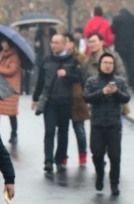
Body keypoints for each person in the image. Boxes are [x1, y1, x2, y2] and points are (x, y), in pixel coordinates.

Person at [31, 34, 83, 173]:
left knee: (63, 132)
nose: (53, 45)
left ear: (64, 44)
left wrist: (67, 75)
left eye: (57, 43)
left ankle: (59, 158)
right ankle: (48, 160)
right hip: (50, 102)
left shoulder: (72, 60)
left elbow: (79, 78)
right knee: (49, 131)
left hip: (65, 101)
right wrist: (35, 98)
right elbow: (40, 81)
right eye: (52, 42)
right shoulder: (46, 60)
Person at [83, 53, 130, 195]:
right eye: (105, 63)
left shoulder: (119, 81)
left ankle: (114, 184)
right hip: (97, 124)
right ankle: (100, 174)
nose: (108, 66)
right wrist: (102, 92)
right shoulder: (92, 81)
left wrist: (116, 92)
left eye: (110, 63)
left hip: (114, 124)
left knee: (115, 157)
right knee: (97, 154)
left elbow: (126, 98)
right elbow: (87, 97)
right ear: (100, 65)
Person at [65, 33, 90, 167]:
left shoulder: (81, 58)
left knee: (79, 129)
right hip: (62, 98)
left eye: (67, 41)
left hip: (77, 98)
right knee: (62, 130)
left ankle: (82, 154)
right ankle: (62, 155)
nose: (65, 44)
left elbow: (85, 77)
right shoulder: (58, 58)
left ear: (72, 43)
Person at [0, 39, 22, 145]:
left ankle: (14, 134)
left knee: (12, 113)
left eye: (4, 42)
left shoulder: (15, 56)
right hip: (0, 86)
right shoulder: (2, 55)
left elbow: (11, 70)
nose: (2, 44)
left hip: (11, 88)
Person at [111, 6, 134, 89]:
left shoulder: (117, 19)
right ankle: (132, 83)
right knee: (131, 64)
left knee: (118, 64)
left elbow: (113, 30)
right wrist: (133, 36)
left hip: (119, 45)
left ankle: (119, 82)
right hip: (130, 45)